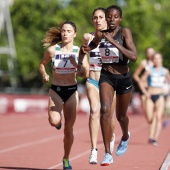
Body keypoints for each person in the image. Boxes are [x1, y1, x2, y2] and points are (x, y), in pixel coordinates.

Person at [78, 5, 137, 166]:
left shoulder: (124, 33)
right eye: (109, 17)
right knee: (104, 110)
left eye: (115, 17)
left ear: (120, 19)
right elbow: (94, 45)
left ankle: (125, 136)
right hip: (106, 77)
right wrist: (86, 50)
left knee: (121, 117)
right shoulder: (100, 34)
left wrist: (114, 43)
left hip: (123, 78)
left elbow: (134, 56)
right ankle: (107, 153)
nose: (112, 20)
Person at [39, 21, 88, 170]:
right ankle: (56, 122)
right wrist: (44, 73)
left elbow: (85, 69)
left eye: (68, 31)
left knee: (68, 130)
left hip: (72, 91)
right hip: (56, 90)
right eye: (63, 31)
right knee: (54, 121)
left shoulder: (79, 51)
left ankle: (66, 158)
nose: (65, 33)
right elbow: (42, 64)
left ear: (74, 34)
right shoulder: (53, 50)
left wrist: (81, 71)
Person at [80, 7, 116, 165]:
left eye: (101, 17)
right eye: (95, 17)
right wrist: (84, 65)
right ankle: (94, 150)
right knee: (94, 111)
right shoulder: (87, 37)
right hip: (93, 81)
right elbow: (83, 53)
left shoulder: (114, 36)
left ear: (106, 19)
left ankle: (111, 137)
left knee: (108, 116)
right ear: (92, 20)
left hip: (109, 82)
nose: (98, 20)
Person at [139, 52, 170, 145]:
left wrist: (167, 92)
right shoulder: (149, 71)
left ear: (161, 60)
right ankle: (151, 135)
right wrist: (145, 92)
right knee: (150, 118)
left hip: (160, 95)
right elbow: (141, 81)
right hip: (150, 96)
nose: (156, 60)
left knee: (158, 117)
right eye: (155, 59)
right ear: (153, 60)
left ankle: (154, 138)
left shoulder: (165, 71)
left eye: (158, 58)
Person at [133, 47, 155, 120]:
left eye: (152, 52)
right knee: (146, 111)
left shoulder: (157, 63)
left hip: (154, 88)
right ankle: (151, 121)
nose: (151, 54)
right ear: (146, 54)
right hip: (144, 88)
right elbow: (135, 75)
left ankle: (155, 123)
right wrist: (140, 82)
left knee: (155, 109)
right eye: (149, 52)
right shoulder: (144, 63)